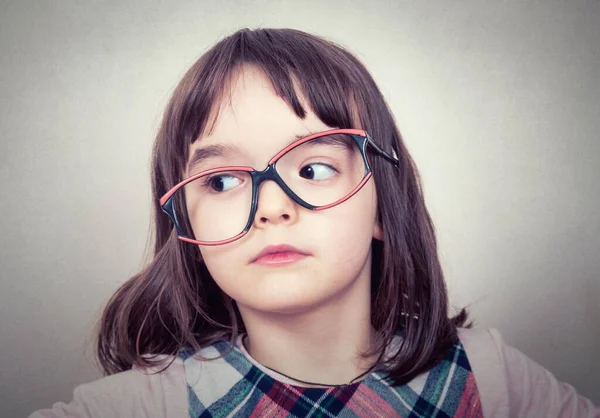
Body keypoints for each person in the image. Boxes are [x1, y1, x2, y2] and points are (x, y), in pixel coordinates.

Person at [30, 28, 599, 418]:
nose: (273, 208)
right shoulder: (144, 405)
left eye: (315, 166)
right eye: (223, 182)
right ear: (186, 227)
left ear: (383, 206)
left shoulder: (491, 378)